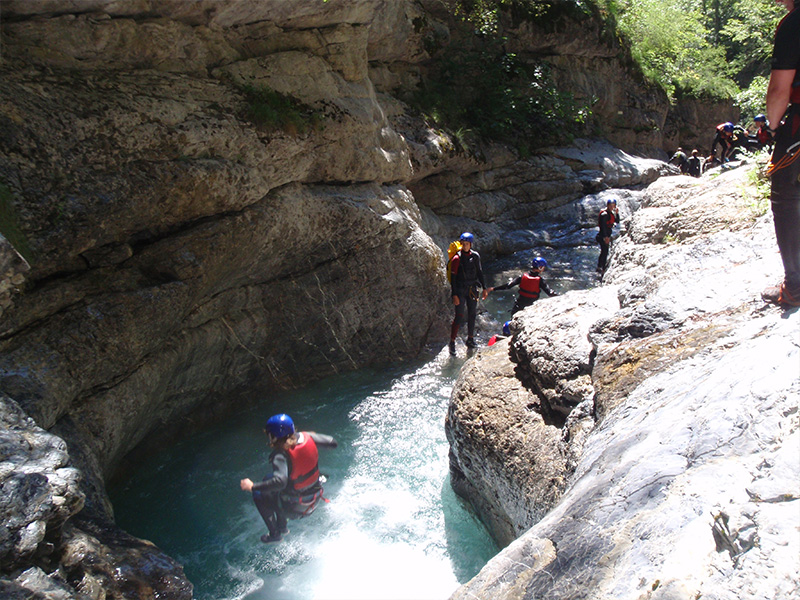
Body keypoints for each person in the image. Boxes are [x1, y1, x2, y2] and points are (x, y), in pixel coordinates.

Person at [240, 413, 338, 543]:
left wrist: (252, 486)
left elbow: (280, 482)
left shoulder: (280, 455)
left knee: (259, 492)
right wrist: (310, 436)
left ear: (273, 436)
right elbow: (333, 443)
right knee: (268, 479)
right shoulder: (308, 437)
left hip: (294, 508)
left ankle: (275, 534)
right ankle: (283, 527)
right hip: (314, 499)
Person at [762, 0, 800, 307]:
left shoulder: (793, 24)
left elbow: (779, 90)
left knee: (786, 198)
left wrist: (773, 127)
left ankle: (795, 286)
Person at [449, 232, 488, 354]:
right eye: (463, 244)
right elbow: (453, 278)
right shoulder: (456, 259)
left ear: (470, 244)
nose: (465, 246)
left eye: (467, 244)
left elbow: (480, 272)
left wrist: (484, 288)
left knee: (472, 314)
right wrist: (454, 295)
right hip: (460, 289)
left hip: (472, 289)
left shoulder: (475, 256)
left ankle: (470, 339)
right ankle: (452, 342)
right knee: (459, 316)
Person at [485, 256, 558, 315]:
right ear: (540, 267)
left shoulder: (522, 276)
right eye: (543, 267)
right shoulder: (540, 280)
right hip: (531, 307)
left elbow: (508, 285)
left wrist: (493, 288)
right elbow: (549, 292)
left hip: (519, 306)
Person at [596, 198, 619, 275]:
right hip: (602, 236)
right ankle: (601, 268)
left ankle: (600, 267)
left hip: (605, 235)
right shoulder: (605, 214)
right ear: (608, 206)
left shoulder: (610, 213)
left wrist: (617, 213)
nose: (612, 207)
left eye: (613, 206)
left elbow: (617, 221)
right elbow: (603, 226)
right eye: (611, 206)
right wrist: (606, 237)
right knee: (605, 252)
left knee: (604, 251)